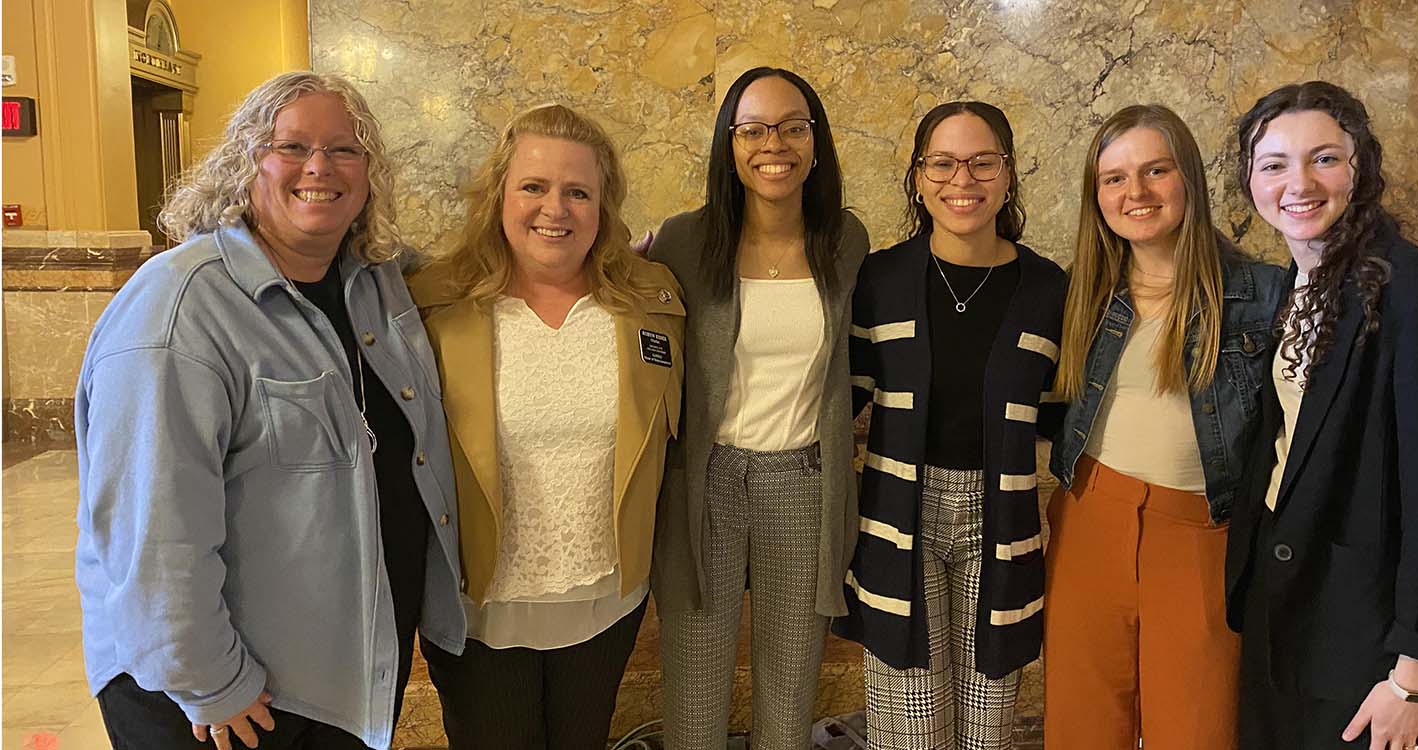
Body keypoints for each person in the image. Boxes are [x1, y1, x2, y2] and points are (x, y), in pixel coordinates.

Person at [75, 71, 464, 750]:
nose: (320, 167)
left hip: (338, 680)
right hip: (223, 701)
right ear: (244, 162)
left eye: (345, 149)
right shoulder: (179, 309)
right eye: (292, 147)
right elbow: (152, 531)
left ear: (369, 173)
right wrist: (207, 680)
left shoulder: (372, 283)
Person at [406, 104, 685, 750]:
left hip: (605, 607)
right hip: (481, 615)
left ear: (603, 205)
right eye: (533, 186)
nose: (554, 209)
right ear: (498, 193)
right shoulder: (434, 304)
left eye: (577, 192)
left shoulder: (653, 300)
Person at [1227, 80, 1418, 750]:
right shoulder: (1293, 284)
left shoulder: (1413, 288)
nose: (1299, 182)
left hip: (1372, 644)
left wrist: (1414, 678)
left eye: (1325, 158)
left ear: (1361, 167)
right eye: (1274, 163)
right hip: (1291, 615)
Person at [1043, 104, 1287, 749]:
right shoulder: (1081, 294)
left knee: (1199, 730)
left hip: (1206, 535)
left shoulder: (1267, 295)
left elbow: (1335, 405)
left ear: (1190, 180)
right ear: (1096, 197)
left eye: (1156, 170)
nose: (1137, 193)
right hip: (1086, 522)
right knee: (1083, 728)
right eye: (1115, 178)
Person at [831, 101, 1065, 750]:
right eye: (942, 162)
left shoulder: (1049, 290)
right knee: (911, 729)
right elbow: (835, 399)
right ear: (917, 176)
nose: (962, 180)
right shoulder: (879, 279)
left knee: (987, 729)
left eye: (982, 162)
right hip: (897, 518)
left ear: (1009, 174)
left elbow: (1072, 419)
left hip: (1004, 521)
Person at [648, 67, 869, 749]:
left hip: (803, 481)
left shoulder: (845, 240)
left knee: (790, 684)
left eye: (793, 126)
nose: (774, 144)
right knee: (694, 686)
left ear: (815, 139)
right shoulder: (684, 240)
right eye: (754, 129)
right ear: (730, 143)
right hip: (702, 481)